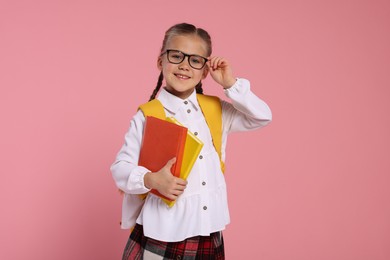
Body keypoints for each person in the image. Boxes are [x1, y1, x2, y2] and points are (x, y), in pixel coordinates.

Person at [111, 22, 272, 259]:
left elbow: (262, 116)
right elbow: (120, 169)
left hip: (209, 229)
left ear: (205, 71)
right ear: (161, 61)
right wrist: (152, 179)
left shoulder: (216, 110)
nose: (185, 65)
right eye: (176, 56)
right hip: (163, 231)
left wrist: (230, 84)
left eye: (195, 60)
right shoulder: (147, 115)